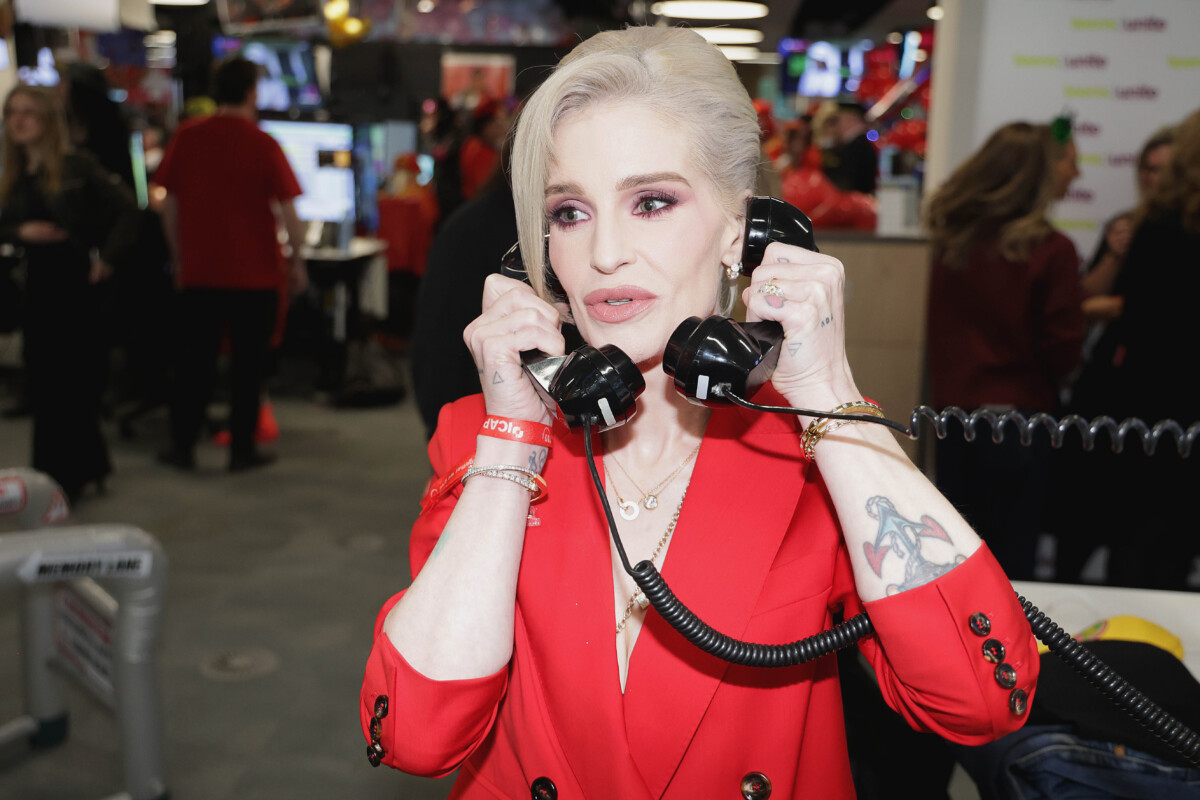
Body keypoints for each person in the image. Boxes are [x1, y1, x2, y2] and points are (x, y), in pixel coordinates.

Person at [361, 28, 1039, 798]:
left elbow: (981, 700)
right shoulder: (481, 437)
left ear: (740, 231)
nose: (605, 252)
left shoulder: (814, 445)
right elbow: (417, 735)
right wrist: (512, 444)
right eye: (571, 213)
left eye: (652, 202)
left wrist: (826, 390)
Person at [924, 121, 1085, 582]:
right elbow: (1061, 349)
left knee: (960, 554)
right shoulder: (1051, 250)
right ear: (1039, 174)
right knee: (1013, 566)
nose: (1074, 172)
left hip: (954, 416)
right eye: (1067, 161)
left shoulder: (954, 244)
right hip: (1020, 421)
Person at [1062, 108, 1200, 590]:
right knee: (1157, 531)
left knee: (1146, 530)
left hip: (1148, 397)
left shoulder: (1158, 228)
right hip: (1151, 398)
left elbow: (1137, 314)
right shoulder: (1145, 227)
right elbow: (1092, 304)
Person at [155, 57, 308, 472]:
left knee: (194, 364)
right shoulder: (263, 143)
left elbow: (169, 204)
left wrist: (178, 255)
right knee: (248, 368)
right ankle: (241, 450)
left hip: (201, 273)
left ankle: (182, 445)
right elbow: (289, 211)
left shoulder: (187, 137)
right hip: (255, 275)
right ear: (252, 93)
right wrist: (297, 258)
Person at [0, 85, 138, 501]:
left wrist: (107, 258)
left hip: (75, 287)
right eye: (12, 113)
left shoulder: (76, 168)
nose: (18, 121)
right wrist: (20, 233)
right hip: (37, 288)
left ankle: (64, 477)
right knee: (45, 383)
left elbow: (128, 210)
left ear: (46, 121)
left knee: (70, 384)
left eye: (28, 113)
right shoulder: (13, 174)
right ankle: (81, 468)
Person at [821, 101, 878, 195]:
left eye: (837, 120)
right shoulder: (857, 144)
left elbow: (849, 182)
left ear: (849, 119)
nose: (835, 127)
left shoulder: (858, 146)